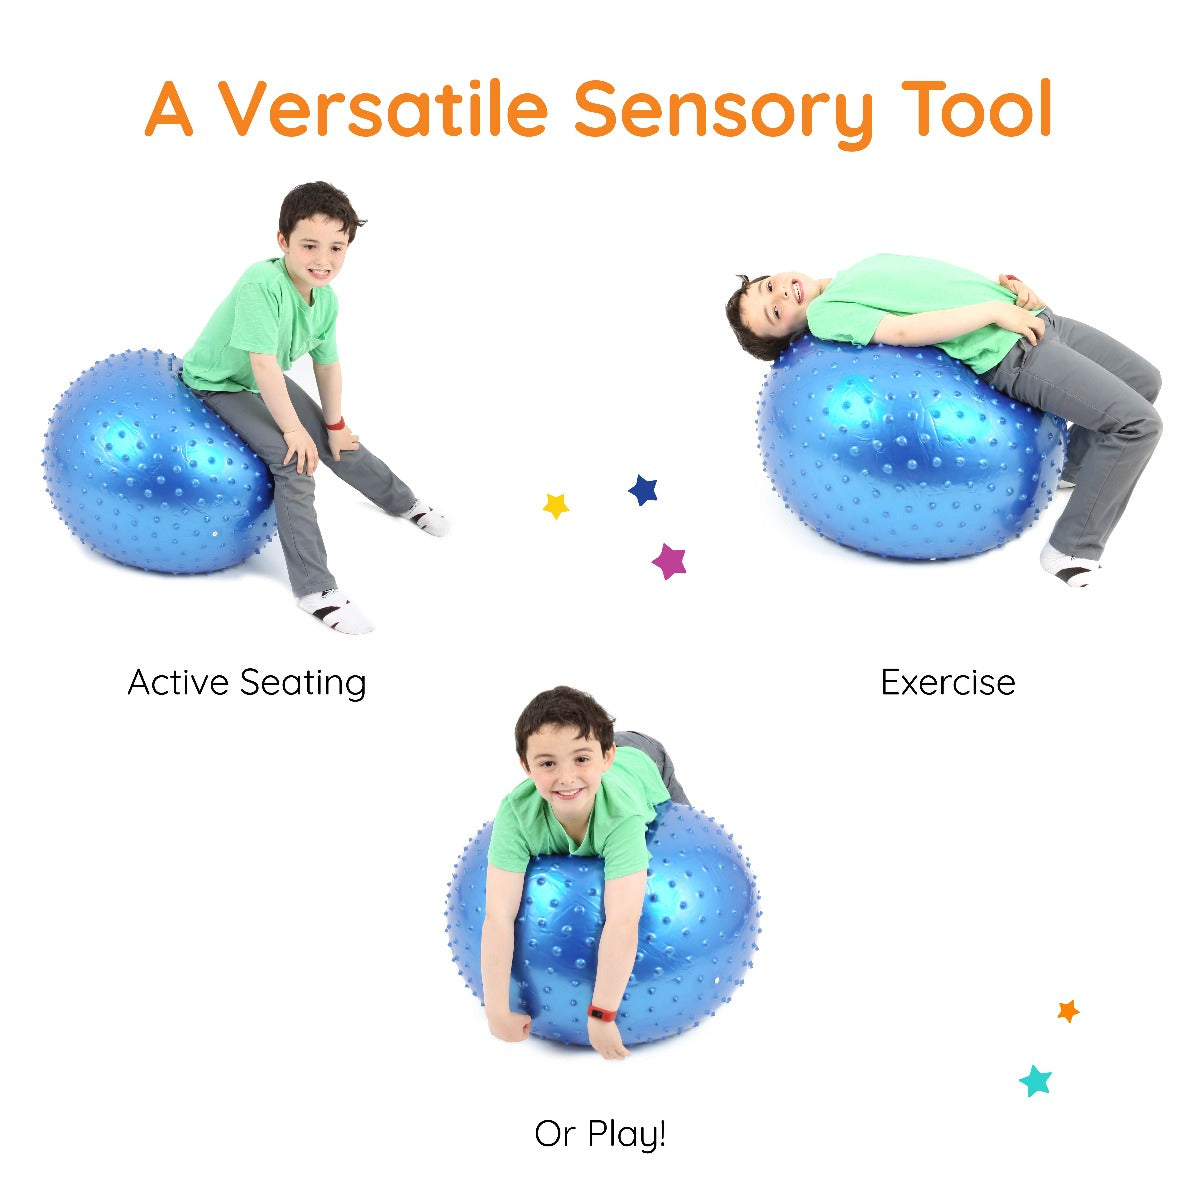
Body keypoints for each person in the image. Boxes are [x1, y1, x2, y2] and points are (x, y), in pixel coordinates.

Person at [726, 255, 1162, 587]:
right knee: (1138, 426)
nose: (780, 295)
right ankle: (1071, 550)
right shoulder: (827, 315)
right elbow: (901, 330)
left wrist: (1007, 291)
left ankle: (1076, 467)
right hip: (1013, 351)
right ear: (789, 336)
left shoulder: (848, 275)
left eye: (768, 287)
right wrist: (995, 314)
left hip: (1036, 318)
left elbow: (934, 286)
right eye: (775, 314)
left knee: (1145, 380)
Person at [183, 181, 447, 633]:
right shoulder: (260, 282)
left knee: (335, 441)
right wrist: (292, 431)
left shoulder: (325, 300)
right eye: (309, 245)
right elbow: (265, 366)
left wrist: (335, 424)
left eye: (336, 248)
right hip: (219, 384)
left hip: (252, 382)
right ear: (283, 241)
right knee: (296, 461)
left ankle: (406, 503)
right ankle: (314, 590)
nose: (323, 261)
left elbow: (327, 366)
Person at [482, 686, 689, 1060]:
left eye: (580, 759)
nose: (565, 778)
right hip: (607, 753)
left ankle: (600, 753)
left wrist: (601, 1014)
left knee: (685, 843)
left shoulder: (621, 816)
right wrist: (495, 1008)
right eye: (547, 764)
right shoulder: (516, 813)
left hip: (644, 758)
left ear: (605, 758)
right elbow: (499, 915)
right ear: (526, 767)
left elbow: (623, 921)